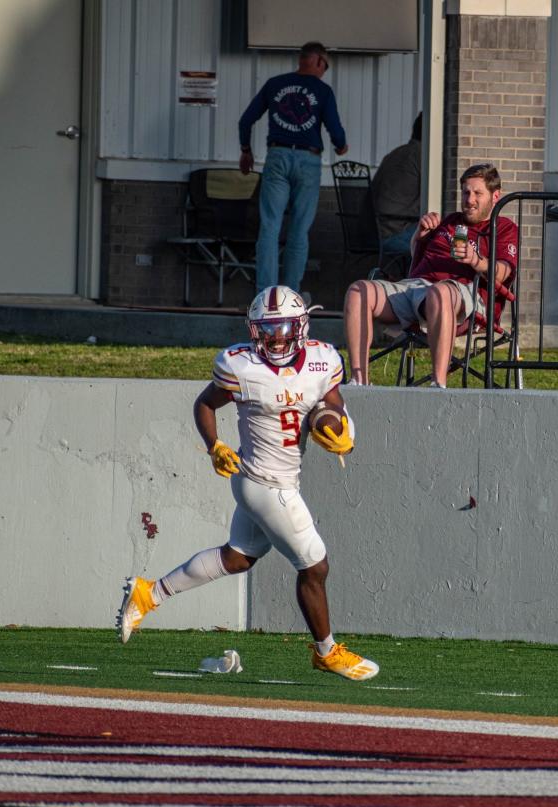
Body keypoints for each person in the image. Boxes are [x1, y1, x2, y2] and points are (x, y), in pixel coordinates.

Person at [116, 285, 378, 682]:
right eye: (267, 329)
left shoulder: (323, 360)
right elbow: (204, 403)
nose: (274, 337)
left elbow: (334, 402)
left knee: (237, 558)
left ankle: (149, 594)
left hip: (277, 478)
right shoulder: (240, 365)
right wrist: (213, 445)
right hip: (263, 482)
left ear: (301, 326)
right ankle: (326, 651)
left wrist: (337, 424)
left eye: (283, 327)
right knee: (315, 565)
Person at [344, 163, 519, 388]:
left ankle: (439, 384)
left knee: (440, 292)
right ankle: (359, 381)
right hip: (417, 289)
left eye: (477, 193)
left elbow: (504, 272)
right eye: (466, 192)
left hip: (465, 296)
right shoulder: (449, 222)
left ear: (495, 196)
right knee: (358, 291)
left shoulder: (503, 228)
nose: (469, 199)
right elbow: (416, 259)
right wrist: (420, 235)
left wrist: (476, 261)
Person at [238, 42, 348, 294]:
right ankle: (291, 294)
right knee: (299, 229)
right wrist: (341, 145)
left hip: (277, 156)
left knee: (270, 226)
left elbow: (246, 119)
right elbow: (335, 129)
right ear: (319, 61)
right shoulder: (323, 90)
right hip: (308, 161)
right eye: (326, 66)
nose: (324, 72)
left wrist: (246, 150)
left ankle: (265, 293)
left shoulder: (275, 84)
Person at [370, 113, 422, 257]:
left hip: (371, 232)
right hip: (392, 234)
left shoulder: (395, 153)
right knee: (441, 240)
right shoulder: (422, 157)